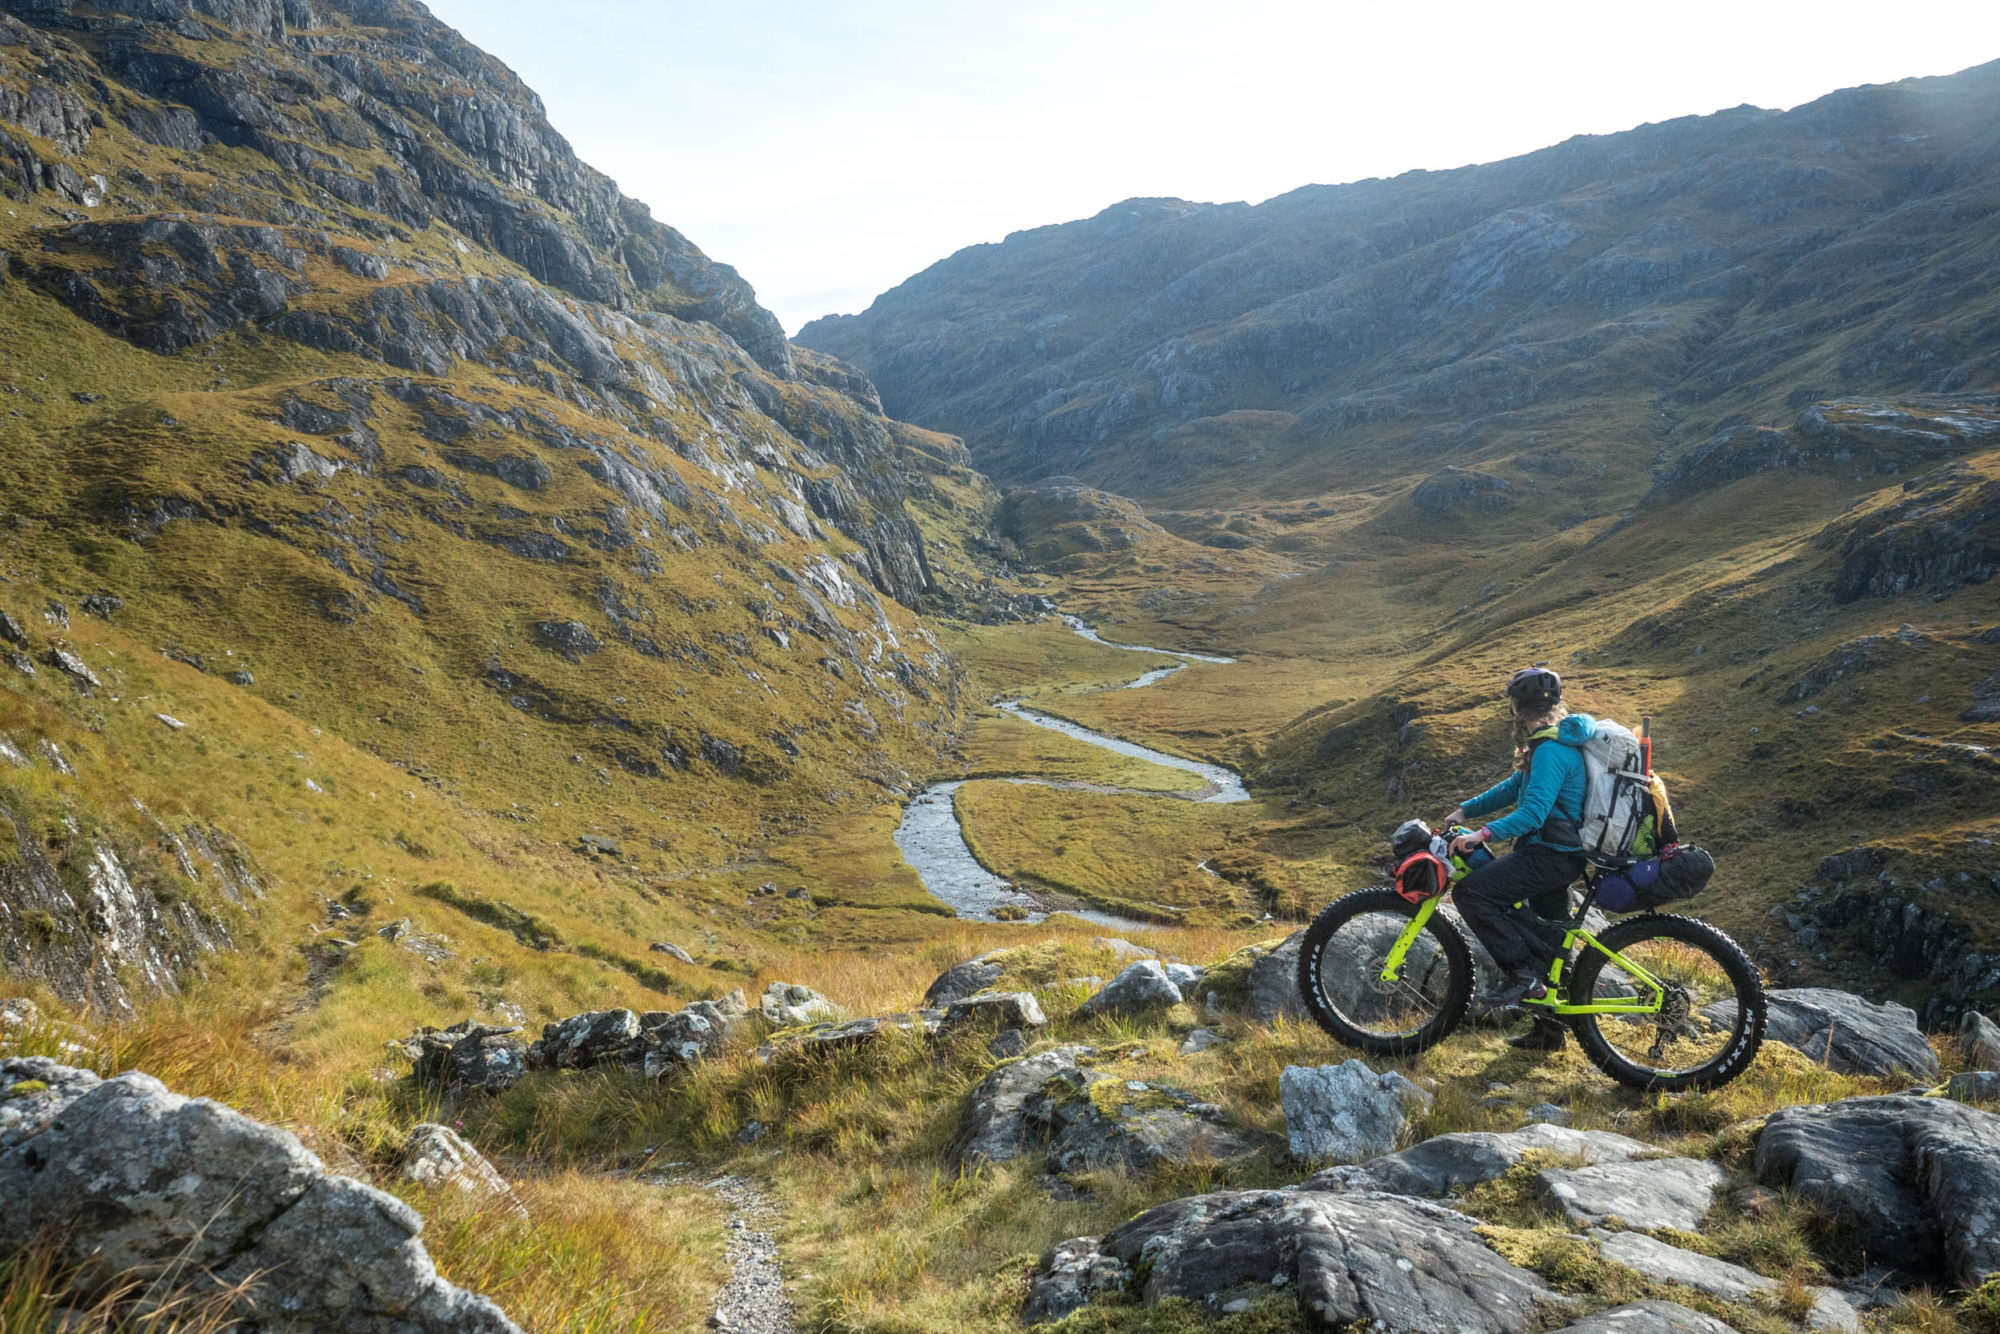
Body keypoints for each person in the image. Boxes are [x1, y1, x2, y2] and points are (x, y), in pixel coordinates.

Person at [1442, 666, 1596, 1051]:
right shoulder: (1552, 743)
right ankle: (1550, 1031)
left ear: (1516, 709)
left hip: (1549, 857)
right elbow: (1515, 787)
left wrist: (1482, 834)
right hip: (1561, 856)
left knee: (1472, 894)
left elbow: (1533, 813)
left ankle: (1522, 974)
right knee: (1550, 940)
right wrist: (1466, 810)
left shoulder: (1550, 751)